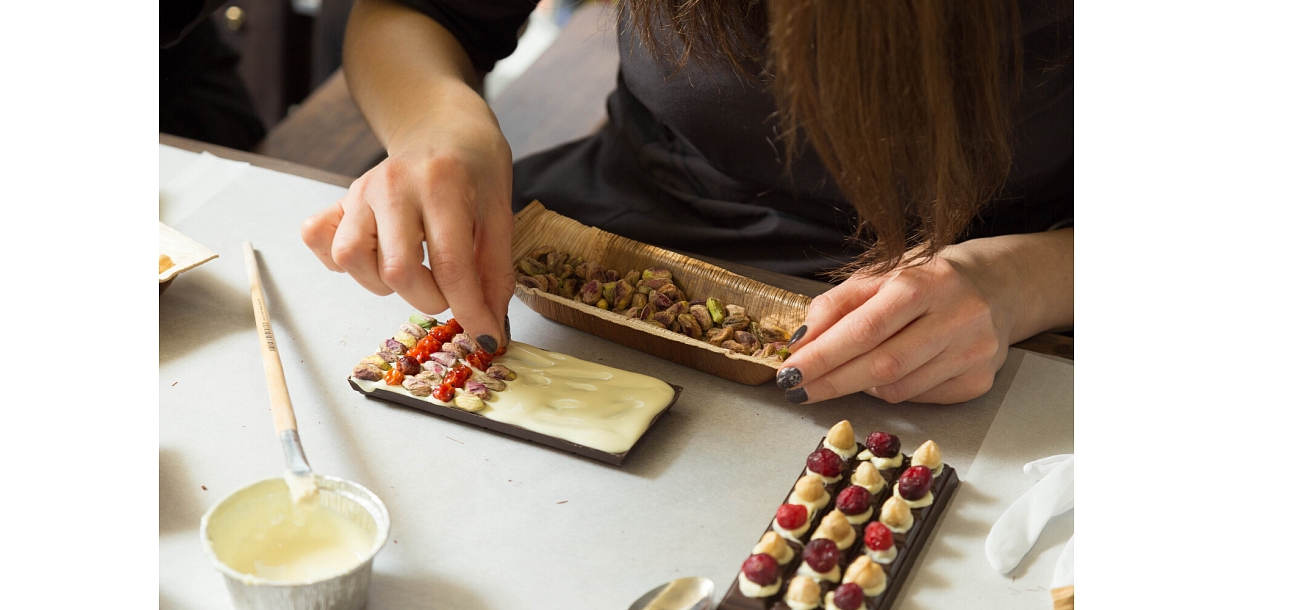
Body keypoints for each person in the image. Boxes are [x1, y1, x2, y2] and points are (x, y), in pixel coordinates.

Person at [300, 0, 1073, 405]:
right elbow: (415, 10)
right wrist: (444, 127)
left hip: (997, 323)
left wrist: (1026, 281)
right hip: (629, 216)